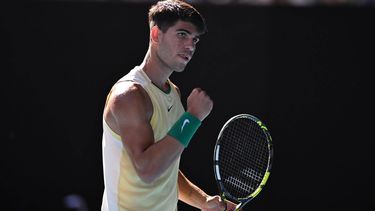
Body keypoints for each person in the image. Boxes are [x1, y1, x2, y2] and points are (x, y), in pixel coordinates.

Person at [101, 0, 237, 210]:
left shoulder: (173, 93)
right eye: (182, 34)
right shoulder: (128, 96)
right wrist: (192, 118)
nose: (190, 46)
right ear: (156, 35)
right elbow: (147, 170)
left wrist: (203, 202)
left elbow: (165, 166)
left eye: (195, 39)